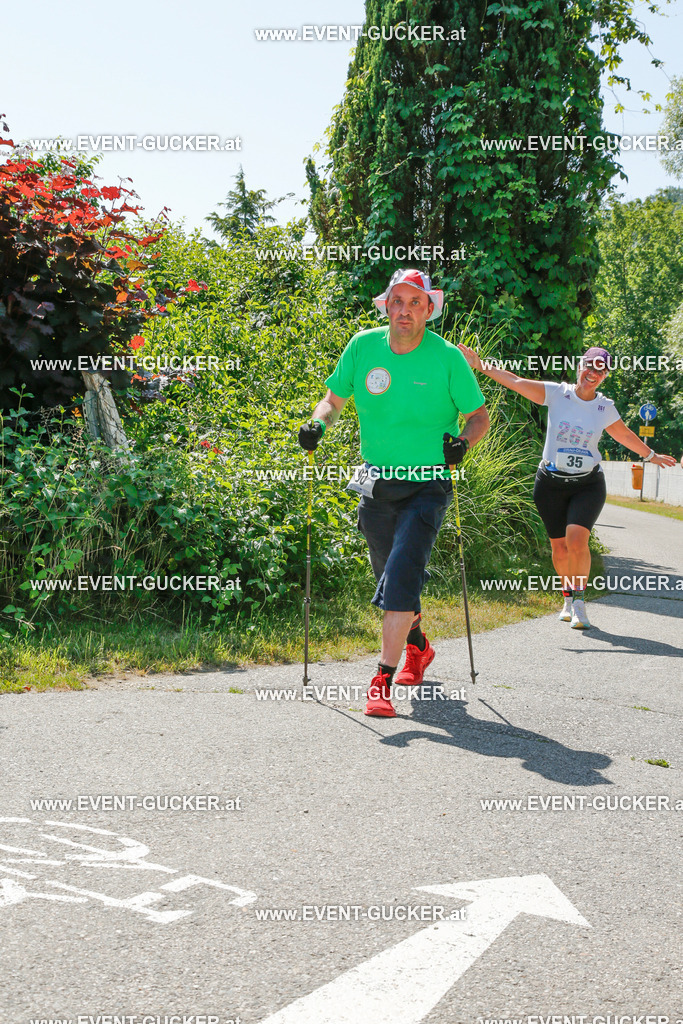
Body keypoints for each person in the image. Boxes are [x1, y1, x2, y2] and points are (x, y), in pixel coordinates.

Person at [298, 268, 490, 717]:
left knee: (403, 572)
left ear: (429, 309)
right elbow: (332, 400)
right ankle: (418, 644)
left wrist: (462, 443)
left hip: (429, 482)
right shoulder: (363, 346)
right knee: (388, 574)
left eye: (414, 302)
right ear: (387, 306)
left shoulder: (446, 358)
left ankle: (381, 680)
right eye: (397, 301)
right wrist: (316, 424)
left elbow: (478, 416)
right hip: (377, 481)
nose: (405, 310)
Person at [458, 343, 676, 628]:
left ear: (605, 376)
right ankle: (568, 598)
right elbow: (516, 382)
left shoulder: (604, 407)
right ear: (579, 367)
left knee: (577, 541)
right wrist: (480, 365)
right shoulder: (557, 394)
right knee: (559, 548)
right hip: (550, 484)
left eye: (600, 369)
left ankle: (581, 603)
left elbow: (624, 435)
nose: (593, 373)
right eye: (589, 366)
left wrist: (651, 455)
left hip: (588, 485)